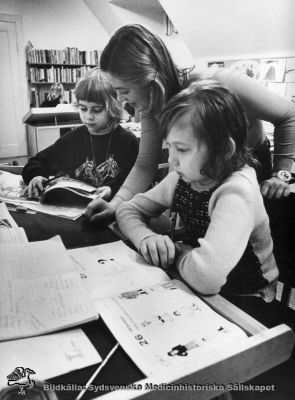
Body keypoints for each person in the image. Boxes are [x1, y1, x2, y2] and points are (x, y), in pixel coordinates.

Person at [85, 23, 295, 223]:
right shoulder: (153, 102)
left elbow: (288, 115)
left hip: (250, 165)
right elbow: (145, 165)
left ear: (150, 78)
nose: (121, 100)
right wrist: (116, 205)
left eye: (124, 90)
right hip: (205, 171)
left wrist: (281, 175)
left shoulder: (221, 82)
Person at [116, 80, 278, 304]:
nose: (172, 160)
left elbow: (205, 278)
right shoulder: (186, 176)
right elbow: (128, 209)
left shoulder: (237, 190)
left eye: (181, 149)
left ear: (223, 150)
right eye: (169, 146)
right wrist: (146, 237)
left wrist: (175, 250)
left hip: (247, 297)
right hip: (195, 285)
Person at [22, 68, 139, 202]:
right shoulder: (75, 137)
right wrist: (36, 175)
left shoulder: (128, 141)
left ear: (113, 108)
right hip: (75, 210)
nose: (88, 116)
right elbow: (37, 161)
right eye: (83, 108)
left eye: (97, 110)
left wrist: (111, 189)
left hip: (113, 207)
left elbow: (134, 179)